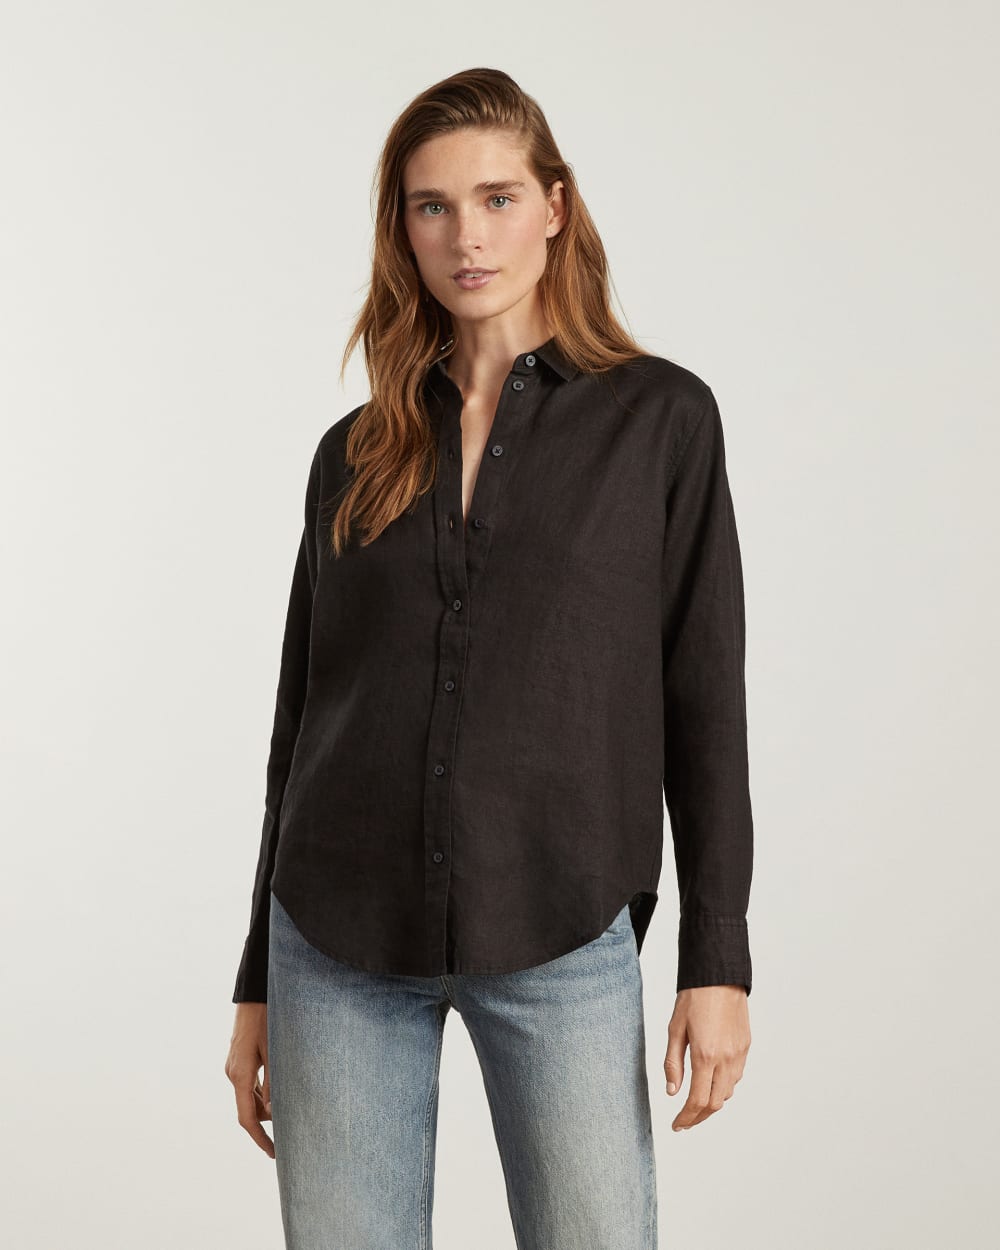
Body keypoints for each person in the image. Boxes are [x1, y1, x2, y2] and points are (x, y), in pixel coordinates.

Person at [224, 66, 753, 1250]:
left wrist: (717, 957)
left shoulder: (660, 420)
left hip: (560, 918)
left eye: (497, 198)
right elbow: (301, 722)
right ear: (402, 228)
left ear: (555, 206)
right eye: (432, 206)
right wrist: (257, 975)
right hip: (336, 934)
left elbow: (704, 698)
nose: (466, 236)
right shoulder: (353, 450)